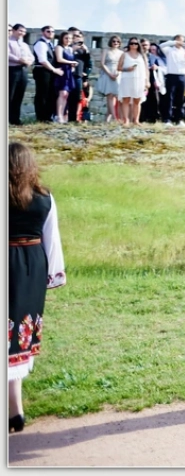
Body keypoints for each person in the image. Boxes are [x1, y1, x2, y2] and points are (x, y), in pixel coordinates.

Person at [8, 142, 66, 433]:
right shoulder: (44, 197)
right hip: (31, 266)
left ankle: (13, 410)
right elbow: (51, 238)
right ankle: (14, 410)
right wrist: (54, 273)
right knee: (16, 334)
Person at [158, 35, 185, 125]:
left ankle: (179, 119)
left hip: (182, 76)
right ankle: (167, 119)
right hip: (171, 76)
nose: (180, 42)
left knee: (181, 99)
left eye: (182, 41)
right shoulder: (169, 50)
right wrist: (174, 42)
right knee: (169, 98)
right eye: (178, 40)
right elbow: (161, 46)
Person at [114, 38, 147, 126]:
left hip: (139, 79)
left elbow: (146, 69)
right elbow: (119, 67)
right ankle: (126, 120)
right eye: (132, 43)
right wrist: (127, 69)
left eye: (135, 43)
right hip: (127, 79)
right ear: (129, 44)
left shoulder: (142, 55)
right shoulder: (124, 55)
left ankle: (136, 120)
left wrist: (147, 81)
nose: (133, 45)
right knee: (126, 99)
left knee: (137, 100)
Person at [30, 26, 57, 123]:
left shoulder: (50, 44)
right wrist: (54, 70)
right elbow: (42, 60)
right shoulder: (40, 44)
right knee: (42, 94)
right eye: (48, 31)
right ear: (43, 32)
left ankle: (47, 116)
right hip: (42, 71)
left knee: (50, 94)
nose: (50, 33)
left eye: (52, 31)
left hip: (49, 71)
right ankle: (41, 117)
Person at [8, 24, 34, 126]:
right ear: (14, 31)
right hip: (12, 69)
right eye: (20, 31)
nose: (22, 33)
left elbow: (31, 56)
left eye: (24, 32)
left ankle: (15, 119)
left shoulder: (24, 45)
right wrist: (19, 59)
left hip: (23, 70)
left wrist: (29, 61)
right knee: (9, 94)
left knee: (19, 95)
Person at [53, 32, 79, 123]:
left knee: (66, 95)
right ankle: (58, 115)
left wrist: (73, 65)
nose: (68, 40)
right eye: (66, 38)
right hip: (62, 72)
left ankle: (63, 116)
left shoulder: (70, 49)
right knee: (62, 94)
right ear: (62, 39)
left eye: (70, 38)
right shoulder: (59, 47)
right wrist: (71, 62)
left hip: (69, 72)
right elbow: (59, 59)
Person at [97, 35, 123, 123]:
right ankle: (115, 118)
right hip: (108, 72)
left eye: (117, 41)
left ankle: (106, 118)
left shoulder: (121, 53)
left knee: (116, 96)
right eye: (114, 41)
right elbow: (102, 63)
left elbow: (122, 64)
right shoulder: (106, 51)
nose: (115, 43)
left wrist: (118, 73)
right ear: (111, 42)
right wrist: (110, 74)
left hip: (118, 73)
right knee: (110, 96)